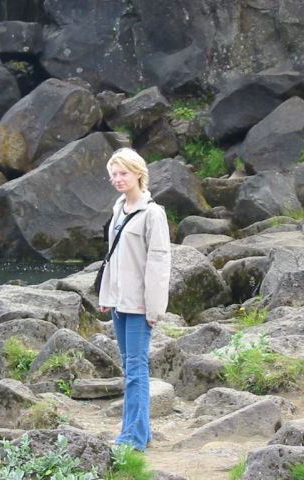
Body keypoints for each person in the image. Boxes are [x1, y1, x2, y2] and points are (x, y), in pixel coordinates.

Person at [98, 147, 171, 451]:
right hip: (119, 303)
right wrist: (107, 295)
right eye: (114, 174)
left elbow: (158, 264)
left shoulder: (153, 213)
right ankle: (141, 431)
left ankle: (133, 439)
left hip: (140, 305)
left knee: (137, 370)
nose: (118, 179)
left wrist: (154, 309)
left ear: (138, 173)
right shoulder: (118, 208)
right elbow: (112, 258)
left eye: (123, 173)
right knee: (129, 368)